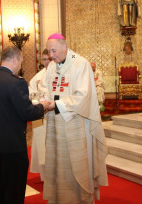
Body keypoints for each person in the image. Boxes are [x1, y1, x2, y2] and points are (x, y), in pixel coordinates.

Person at [41, 33, 108, 204]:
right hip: (55, 125)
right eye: (49, 51)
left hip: (75, 125)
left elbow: (82, 97)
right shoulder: (51, 67)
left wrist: (54, 104)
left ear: (64, 46)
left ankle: (80, 199)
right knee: (58, 164)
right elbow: (46, 89)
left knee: (75, 166)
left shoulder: (80, 64)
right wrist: (44, 99)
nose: (51, 55)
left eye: (53, 50)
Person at [0, 46, 50, 204]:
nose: (20, 66)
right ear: (14, 59)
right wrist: (42, 107)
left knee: (0, 188)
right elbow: (26, 113)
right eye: (20, 62)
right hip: (11, 147)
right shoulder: (16, 83)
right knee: (14, 190)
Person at [29, 49, 51, 180]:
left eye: (49, 59)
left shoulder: (62, 75)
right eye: (44, 59)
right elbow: (30, 93)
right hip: (41, 116)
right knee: (42, 147)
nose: (47, 62)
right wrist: (38, 100)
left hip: (56, 115)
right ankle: (45, 176)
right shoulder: (37, 77)